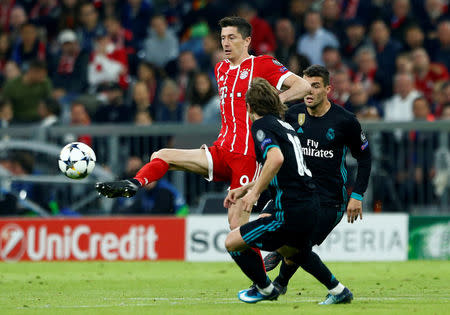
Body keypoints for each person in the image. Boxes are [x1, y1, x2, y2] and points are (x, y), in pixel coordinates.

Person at [96, 16, 311, 233]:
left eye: (232, 38)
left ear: (246, 41)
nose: (226, 43)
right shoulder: (220, 70)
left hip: (247, 155)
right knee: (161, 155)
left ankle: (278, 240)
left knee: (236, 226)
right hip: (221, 150)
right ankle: (134, 184)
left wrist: (276, 101)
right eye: (223, 38)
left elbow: (303, 86)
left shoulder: (262, 64)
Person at [223, 77, 352, 305]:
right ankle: (338, 290)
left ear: (249, 107)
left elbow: (276, 158)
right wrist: (246, 188)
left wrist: (254, 195)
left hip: (290, 211)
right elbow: (287, 168)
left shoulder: (261, 126)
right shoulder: (284, 126)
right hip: (311, 205)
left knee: (232, 242)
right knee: (294, 251)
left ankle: (264, 288)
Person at [261, 65, 371, 303]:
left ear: (328, 89)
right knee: (268, 227)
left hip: (329, 199)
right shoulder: (291, 114)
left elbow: (364, 156)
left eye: (315, 85)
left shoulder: (345, 121)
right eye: (305, 84)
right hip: (296, 193)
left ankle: (278, 281)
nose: (308, 91)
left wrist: (358, 195)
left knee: (297, 245)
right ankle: (278, 280)